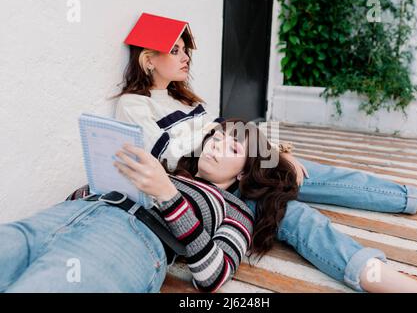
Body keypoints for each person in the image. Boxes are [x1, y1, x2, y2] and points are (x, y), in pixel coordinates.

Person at [70, 13, 417, 292]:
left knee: (324, 174)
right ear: (147, 58)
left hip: (240, 159)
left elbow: (224, 127)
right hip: (218, 182)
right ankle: (398, 284)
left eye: (186, 50)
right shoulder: (136, 105)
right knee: (301, 220)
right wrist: (241, 144)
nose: (185, 58)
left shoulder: (183, 97)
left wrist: (274, 152)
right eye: (175, 50)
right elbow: (168, 155)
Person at [0, 121, 257, 293]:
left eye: (232, 148)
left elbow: (214, 276)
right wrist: (101, 180)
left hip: (125, 240)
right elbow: (77, 197)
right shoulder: (166, 172)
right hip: (65, 216)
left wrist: (169, 196)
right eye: (217, 138)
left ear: (244, 173)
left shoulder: (235, 208)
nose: (216, 146)